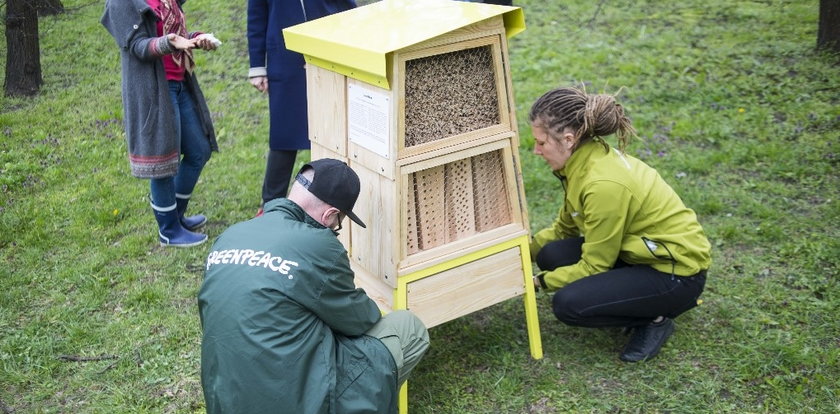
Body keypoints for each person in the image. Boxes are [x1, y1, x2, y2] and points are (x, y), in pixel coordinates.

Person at [198, 158, 430, 413]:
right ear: (329, 215)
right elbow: (360, 320)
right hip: (297, 403)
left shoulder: (229, 236)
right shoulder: (320, 245)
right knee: (408, 328)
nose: (334, 228)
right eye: (337, 223)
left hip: (225, 399)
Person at [528, 86, 711, 362]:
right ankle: (633, 293)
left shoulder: (602, 184)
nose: (535, 151)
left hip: (676, 272)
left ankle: (656, 317)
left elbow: (594, 265)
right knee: (550, 254)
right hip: (637, 251)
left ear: (567, 139)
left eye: (542, 143)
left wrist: (538, 283)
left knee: (568, 305)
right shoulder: (582, 161)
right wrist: (517, 255)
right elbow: (563, 229)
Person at [102, 0, 219, 247]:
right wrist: (169, 43)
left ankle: (176, 216)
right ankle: (169, 230)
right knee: (163, 161)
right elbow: (135, 46)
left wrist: (196, 38)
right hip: (153, 90)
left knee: (200, 150)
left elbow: (177, 33)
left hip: (180, 82)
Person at [247, 0, 356, 216]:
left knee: (330, 133)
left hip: (329, 54)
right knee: (284, 136)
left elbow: (347, 8)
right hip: (285, 59)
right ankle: (270, 206)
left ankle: (326, 201)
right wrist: (257, 66)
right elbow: (257, 16)